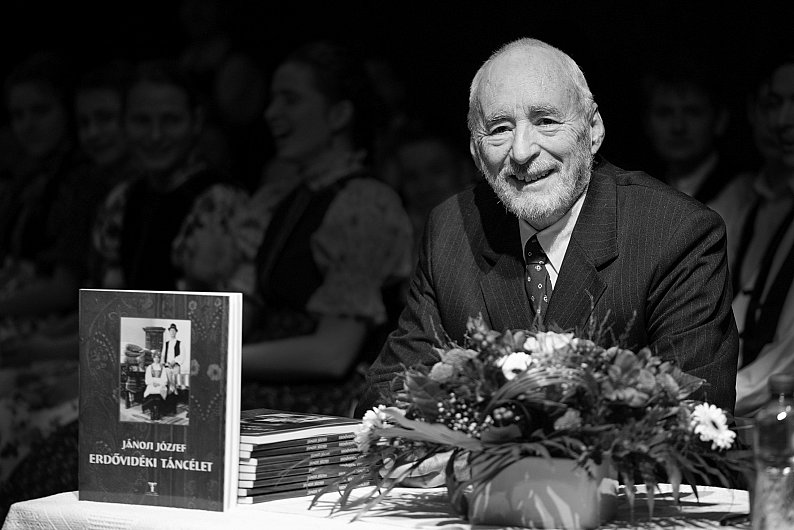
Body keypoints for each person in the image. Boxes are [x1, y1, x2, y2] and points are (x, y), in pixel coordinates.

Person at [358, 37, 738, 420]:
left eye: (546, 122)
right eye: (500, 129)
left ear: (593, 130)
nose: (522, 152)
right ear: (475, 151)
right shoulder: (451, 228)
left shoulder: (675, 232)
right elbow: (388, 395)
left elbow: (694, 415)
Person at [221, 40, 414, 417]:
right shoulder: (287, 198)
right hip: (262, 390)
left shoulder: (364, 203)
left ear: (339, 114)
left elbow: (332, 354)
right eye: (273, 99)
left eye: (290, 100)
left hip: (321, 405)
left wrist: (217, 359)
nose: (272, 113)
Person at [92, 58, 248, 292]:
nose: (155, 136)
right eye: (142, 121)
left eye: (171, 120)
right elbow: (107, 292)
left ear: (196, 121)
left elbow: (230, 309)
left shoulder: (222, 201)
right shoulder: (121, 199)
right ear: (123, 123)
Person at [709, 51, 794, 419]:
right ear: (753, 111)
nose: (784, 121)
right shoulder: (742, 198)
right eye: (772, 104)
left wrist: (708, 399)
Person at [639, 53, 741, 205]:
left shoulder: (745, 195)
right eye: (664, 113)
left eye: (692, 112)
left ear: (720, 119)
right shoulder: (638, 192)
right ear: (647, 122)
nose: (678, 127)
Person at [142, 351, 172, 421]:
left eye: (158, 357)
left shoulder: (162, 368)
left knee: (159, 392)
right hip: (151, 384)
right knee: (151, 392)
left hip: (161, 385)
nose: (156, 359)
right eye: (155, 357)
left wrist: (158, 383)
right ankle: (152, 411)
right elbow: (147, 379)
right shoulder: (149, 367)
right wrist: (153, 383)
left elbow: (165, 380)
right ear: (153, 358)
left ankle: (157, 411)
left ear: (159, 358)